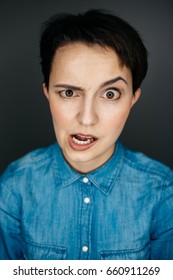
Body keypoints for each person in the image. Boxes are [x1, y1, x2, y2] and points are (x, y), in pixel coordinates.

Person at [0, 9, 173, 260]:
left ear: (133, 99)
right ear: (47, 92)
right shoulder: (14, 187)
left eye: (110, 94)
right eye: (69, 93)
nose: (87, 118)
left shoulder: (163, 192)